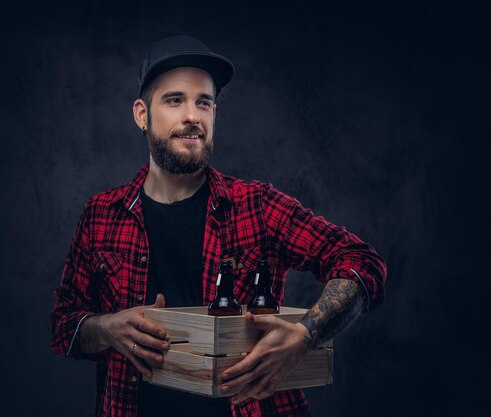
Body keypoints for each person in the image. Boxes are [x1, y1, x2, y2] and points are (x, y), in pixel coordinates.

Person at [50, 35, 387, 417]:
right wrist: (106, 327)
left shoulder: (257, 205)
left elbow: (362, 262)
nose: (192, 115)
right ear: (142, 114)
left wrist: (305, 335)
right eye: (175, 100)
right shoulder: (101, 214)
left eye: (204, 102)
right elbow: (64, 325)